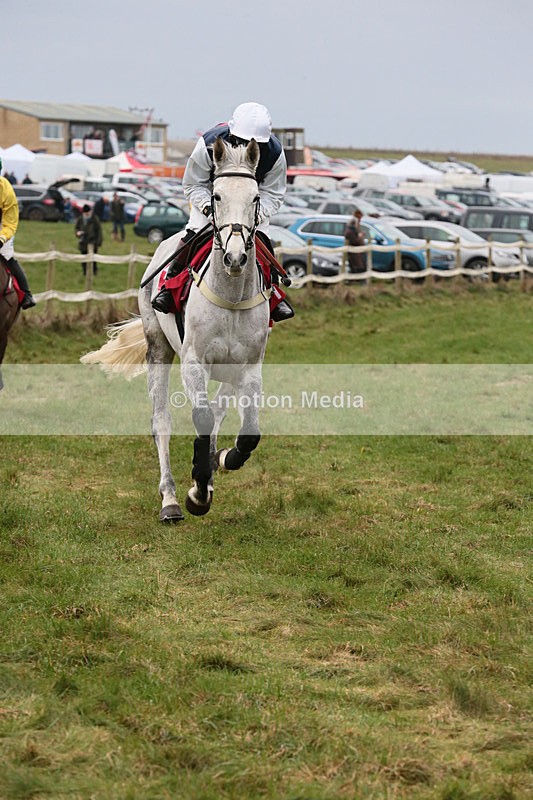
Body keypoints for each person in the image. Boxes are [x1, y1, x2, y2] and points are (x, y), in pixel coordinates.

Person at [151, 101, 294, 321]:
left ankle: (273, 292)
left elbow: (274, 193)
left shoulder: (274, 153)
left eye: (254, 142)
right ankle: (169, 287)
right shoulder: (208, 143)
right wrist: (210, 209)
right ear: (232, 133)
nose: (248, 145)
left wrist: (253, 214)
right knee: (193, 233)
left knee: (263, 240)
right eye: (243, 140)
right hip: (212, 197)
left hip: (249, 202)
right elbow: (192, 184)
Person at [0, 157, 36, 309]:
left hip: (3, 227)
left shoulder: (5, 189)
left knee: (7, 255)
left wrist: (2, 238)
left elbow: (10, 221)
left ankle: (27, 294)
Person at [75, 204, 102, 276]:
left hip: (92, 242)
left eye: (88, 212)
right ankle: (85, 272)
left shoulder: (95, 219)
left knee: (93, 259)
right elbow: (77, 228)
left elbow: (99, 231)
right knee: (83, 258)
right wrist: (77, 233)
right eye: (85, 213)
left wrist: (98, 242)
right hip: (83, 242)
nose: (87, 214)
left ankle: (94, 272)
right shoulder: (80, 219)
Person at [344, 208, 366, 275]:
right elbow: (354, 240)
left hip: (357, 250)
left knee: (359, 266)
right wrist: (360, 236)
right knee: (356, 266)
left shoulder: (355, 227)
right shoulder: (352, 228)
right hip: (354, 250)